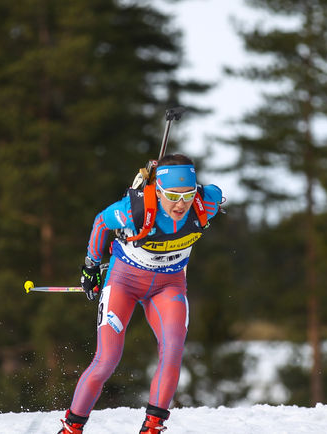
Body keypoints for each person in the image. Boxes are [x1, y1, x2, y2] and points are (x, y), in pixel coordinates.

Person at [58, 154, 223, 433]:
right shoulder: (135, 210)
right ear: (158, 190)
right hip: (124, 282)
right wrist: (91, 267)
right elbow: (101, 222)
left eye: (187, 194)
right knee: (106, 360)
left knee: (172, 349)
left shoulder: (206, 203)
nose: (181, 204)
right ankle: (72, 427)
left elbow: (215, 192)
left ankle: (153, 426)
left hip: (169, 287)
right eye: (172, 195)